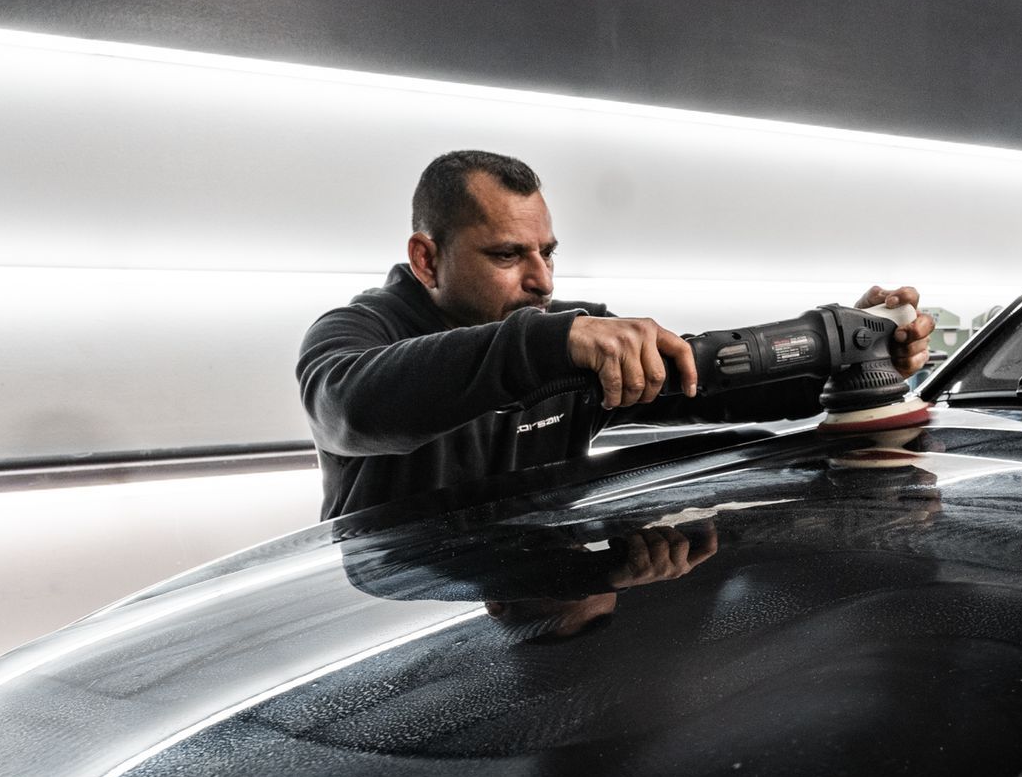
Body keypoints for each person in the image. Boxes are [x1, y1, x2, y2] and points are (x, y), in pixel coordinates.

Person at [298, 149, 935, 518]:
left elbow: (697, 380)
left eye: (548, 252)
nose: (542, 282)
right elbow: (352, 409)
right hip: (390, 627)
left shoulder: (566, 326)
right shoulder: (356, 332)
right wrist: (551, 345)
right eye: (507, 256)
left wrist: (842, 359)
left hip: (533, 579)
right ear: (428, 258)